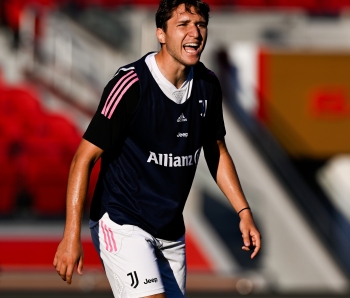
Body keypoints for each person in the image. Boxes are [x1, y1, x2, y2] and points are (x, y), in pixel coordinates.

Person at [53, 1, 261, 297]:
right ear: (161, 34)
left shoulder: (207, 86)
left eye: (201, 24)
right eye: (184, 24)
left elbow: (216, 151)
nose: (195, 32)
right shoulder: (131, 84)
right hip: (123, 222)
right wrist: (71, 235)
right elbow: (82, 160)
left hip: (171, 231)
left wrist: (243, 211)